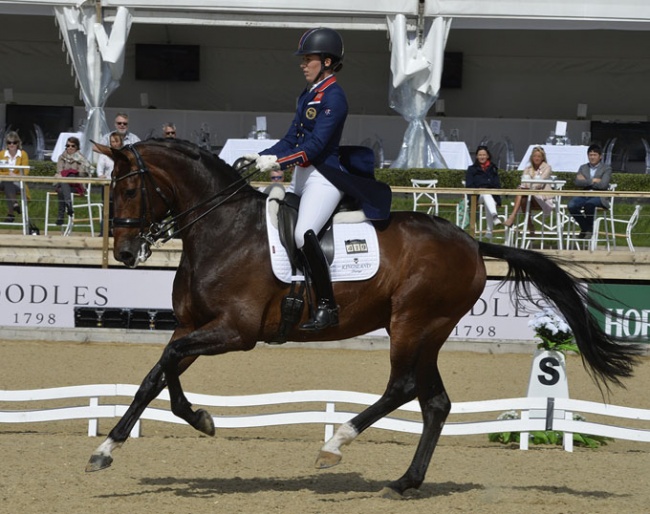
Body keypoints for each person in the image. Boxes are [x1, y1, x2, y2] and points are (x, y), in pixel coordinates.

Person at [243, 27, 391, 331]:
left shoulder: (334, 98)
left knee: (302, 234)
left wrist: (280, 161)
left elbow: (315, 148)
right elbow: (290, 139)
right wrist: (261, 155)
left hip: (325, 177)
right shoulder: (307, 95)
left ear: (326, 61)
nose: (302, 64)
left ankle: (327, 306)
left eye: (308, 59)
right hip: (302, 176)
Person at [504, 146, 555, 233]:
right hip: (528, 198)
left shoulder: (547, 167)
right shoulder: (527, 169)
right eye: (535, 156)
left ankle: (513, 216)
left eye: (539, 156)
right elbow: (523, 182)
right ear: (532, 157)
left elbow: (540, 183)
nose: (536, 158)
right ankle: (529, 224)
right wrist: (527, 188)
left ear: (542, 158)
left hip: (542, 198)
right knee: (523, 198)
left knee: (521, 192)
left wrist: (528, 187)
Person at [567, 143, 612, 239]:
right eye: (590, 155)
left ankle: (587, 230)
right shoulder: (583, 167)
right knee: (571, 205)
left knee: (589, 204)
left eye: (595, 155)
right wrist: (593, 180)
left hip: (599, 196)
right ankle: (587, 228)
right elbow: (577, 182)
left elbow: (603, 184)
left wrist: (586, 181)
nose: (592, 157)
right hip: (584, 194)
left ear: (600, 156)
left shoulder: (606, 168)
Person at [465, 145, 502, 235]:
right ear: (477, 156)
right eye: (480, 155)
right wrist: (479, 189)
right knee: (486, 194)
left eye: (484, 155)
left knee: (487, 195)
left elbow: (497, 184)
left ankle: (489, 232)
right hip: (476, 196)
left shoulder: (493, 168)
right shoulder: (472, 169)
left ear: (488, 156)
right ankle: (494, 216)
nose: (482, 157)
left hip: (491, 195)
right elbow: (469, 185)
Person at [55, 136, 90, 225]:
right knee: (63, 184)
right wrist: (66, 174)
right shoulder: (61, 157)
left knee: (61, 189)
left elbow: (83, 173)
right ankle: (69, 205)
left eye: (72, 146)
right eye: (68, 145)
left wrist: (72, 173)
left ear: (77, 147)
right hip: (63, 183)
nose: (70, 148)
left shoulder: (81, 158)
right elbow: (59, 171)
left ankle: (60, 216)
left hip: (76, 184)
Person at [0, 131, 29, 222]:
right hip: (2, 181)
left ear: (18, 143)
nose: (11, 145)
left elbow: (26, 172)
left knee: (8, 184)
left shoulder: (23, 154)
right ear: (7, 144)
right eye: (9, 142)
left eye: (14, 142)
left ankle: (11, 214)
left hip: (18, 182)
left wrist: (15, 175)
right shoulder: (1, 154)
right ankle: (15, 204)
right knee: (7, 181)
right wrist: (8, 174)